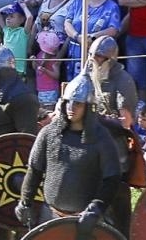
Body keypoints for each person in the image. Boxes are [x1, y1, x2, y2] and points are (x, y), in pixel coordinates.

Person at [18, 74, 124, 229]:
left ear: (88, 107)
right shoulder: (49, 133)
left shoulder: (101, 138)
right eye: (68, 102)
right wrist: (25, 202)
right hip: (50, 215)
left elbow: (112, 178)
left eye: (78, 104)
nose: (71, 107)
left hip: (86, 220)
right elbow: (34, 170)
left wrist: (97, 207)